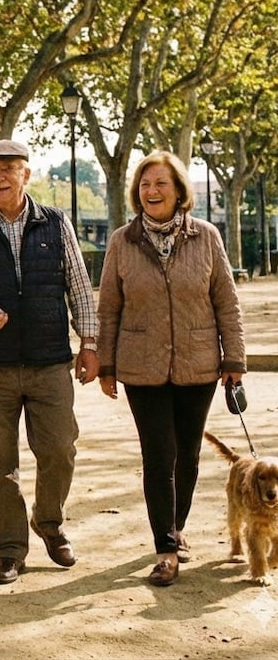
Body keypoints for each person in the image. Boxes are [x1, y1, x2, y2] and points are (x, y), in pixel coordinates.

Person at [0, 139, 98, 585]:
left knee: (60, 450)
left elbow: (79, 287)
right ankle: (10, 549)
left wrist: (90, 342)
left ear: (26, 174)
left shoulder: (56, 223)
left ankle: (49, 522)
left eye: (8, 169)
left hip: (50, 361)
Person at [97, 150, 246, 587]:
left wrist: (234, 360)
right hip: (141, 366)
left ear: (179, 190)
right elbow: (109, 307)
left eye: (161, 183)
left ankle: (176, 528)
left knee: (188, 455)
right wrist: (106, 364)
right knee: (158, 455)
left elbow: (227, 302)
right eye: (145, 184)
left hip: (198, 364)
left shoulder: (207, 237)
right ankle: (165, 548)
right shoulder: (122, 241)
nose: (152, 191)